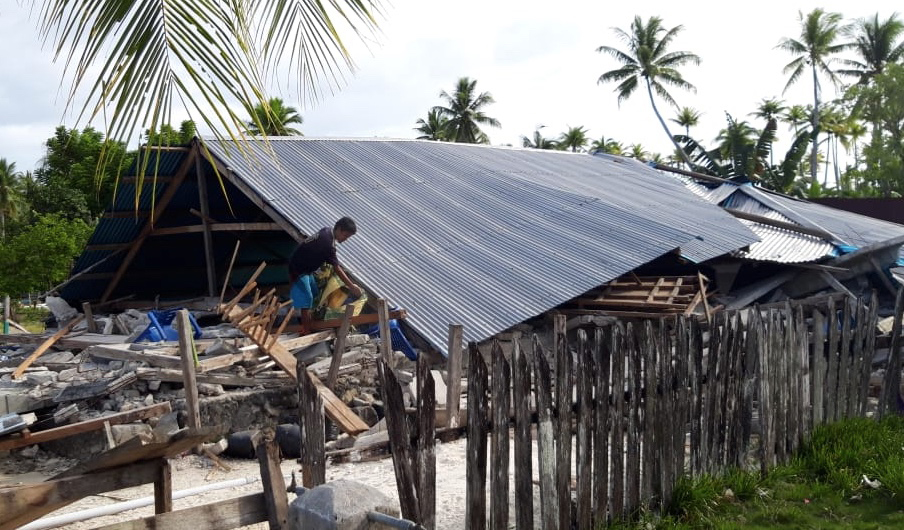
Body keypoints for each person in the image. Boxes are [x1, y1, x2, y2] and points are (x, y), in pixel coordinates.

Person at [288, 217, 362, 334]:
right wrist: (351, 286)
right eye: (346, 236)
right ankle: (306, 330)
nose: (346, 239)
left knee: (316, 292)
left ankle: (309, 318)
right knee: (308, 298)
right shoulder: (328, 244)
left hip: (307, 270)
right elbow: (337, 268)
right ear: (339, 229)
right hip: (298, 270)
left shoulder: (327, 231)